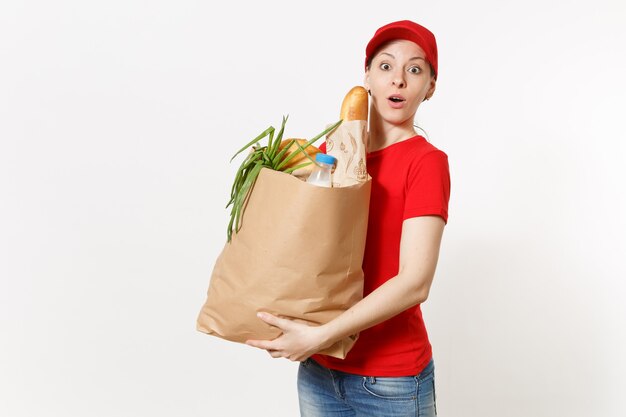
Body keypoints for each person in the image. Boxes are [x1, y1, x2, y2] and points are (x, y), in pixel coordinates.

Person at [246, 20, 450, 416]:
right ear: (368, 78)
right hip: (320, 370)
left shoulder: (426, 163)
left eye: (415, 69)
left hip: (391, 381)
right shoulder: (333, 152)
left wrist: (319, 334)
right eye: (386, 66)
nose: (399, 81)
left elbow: (414, 283)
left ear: (430, 87)